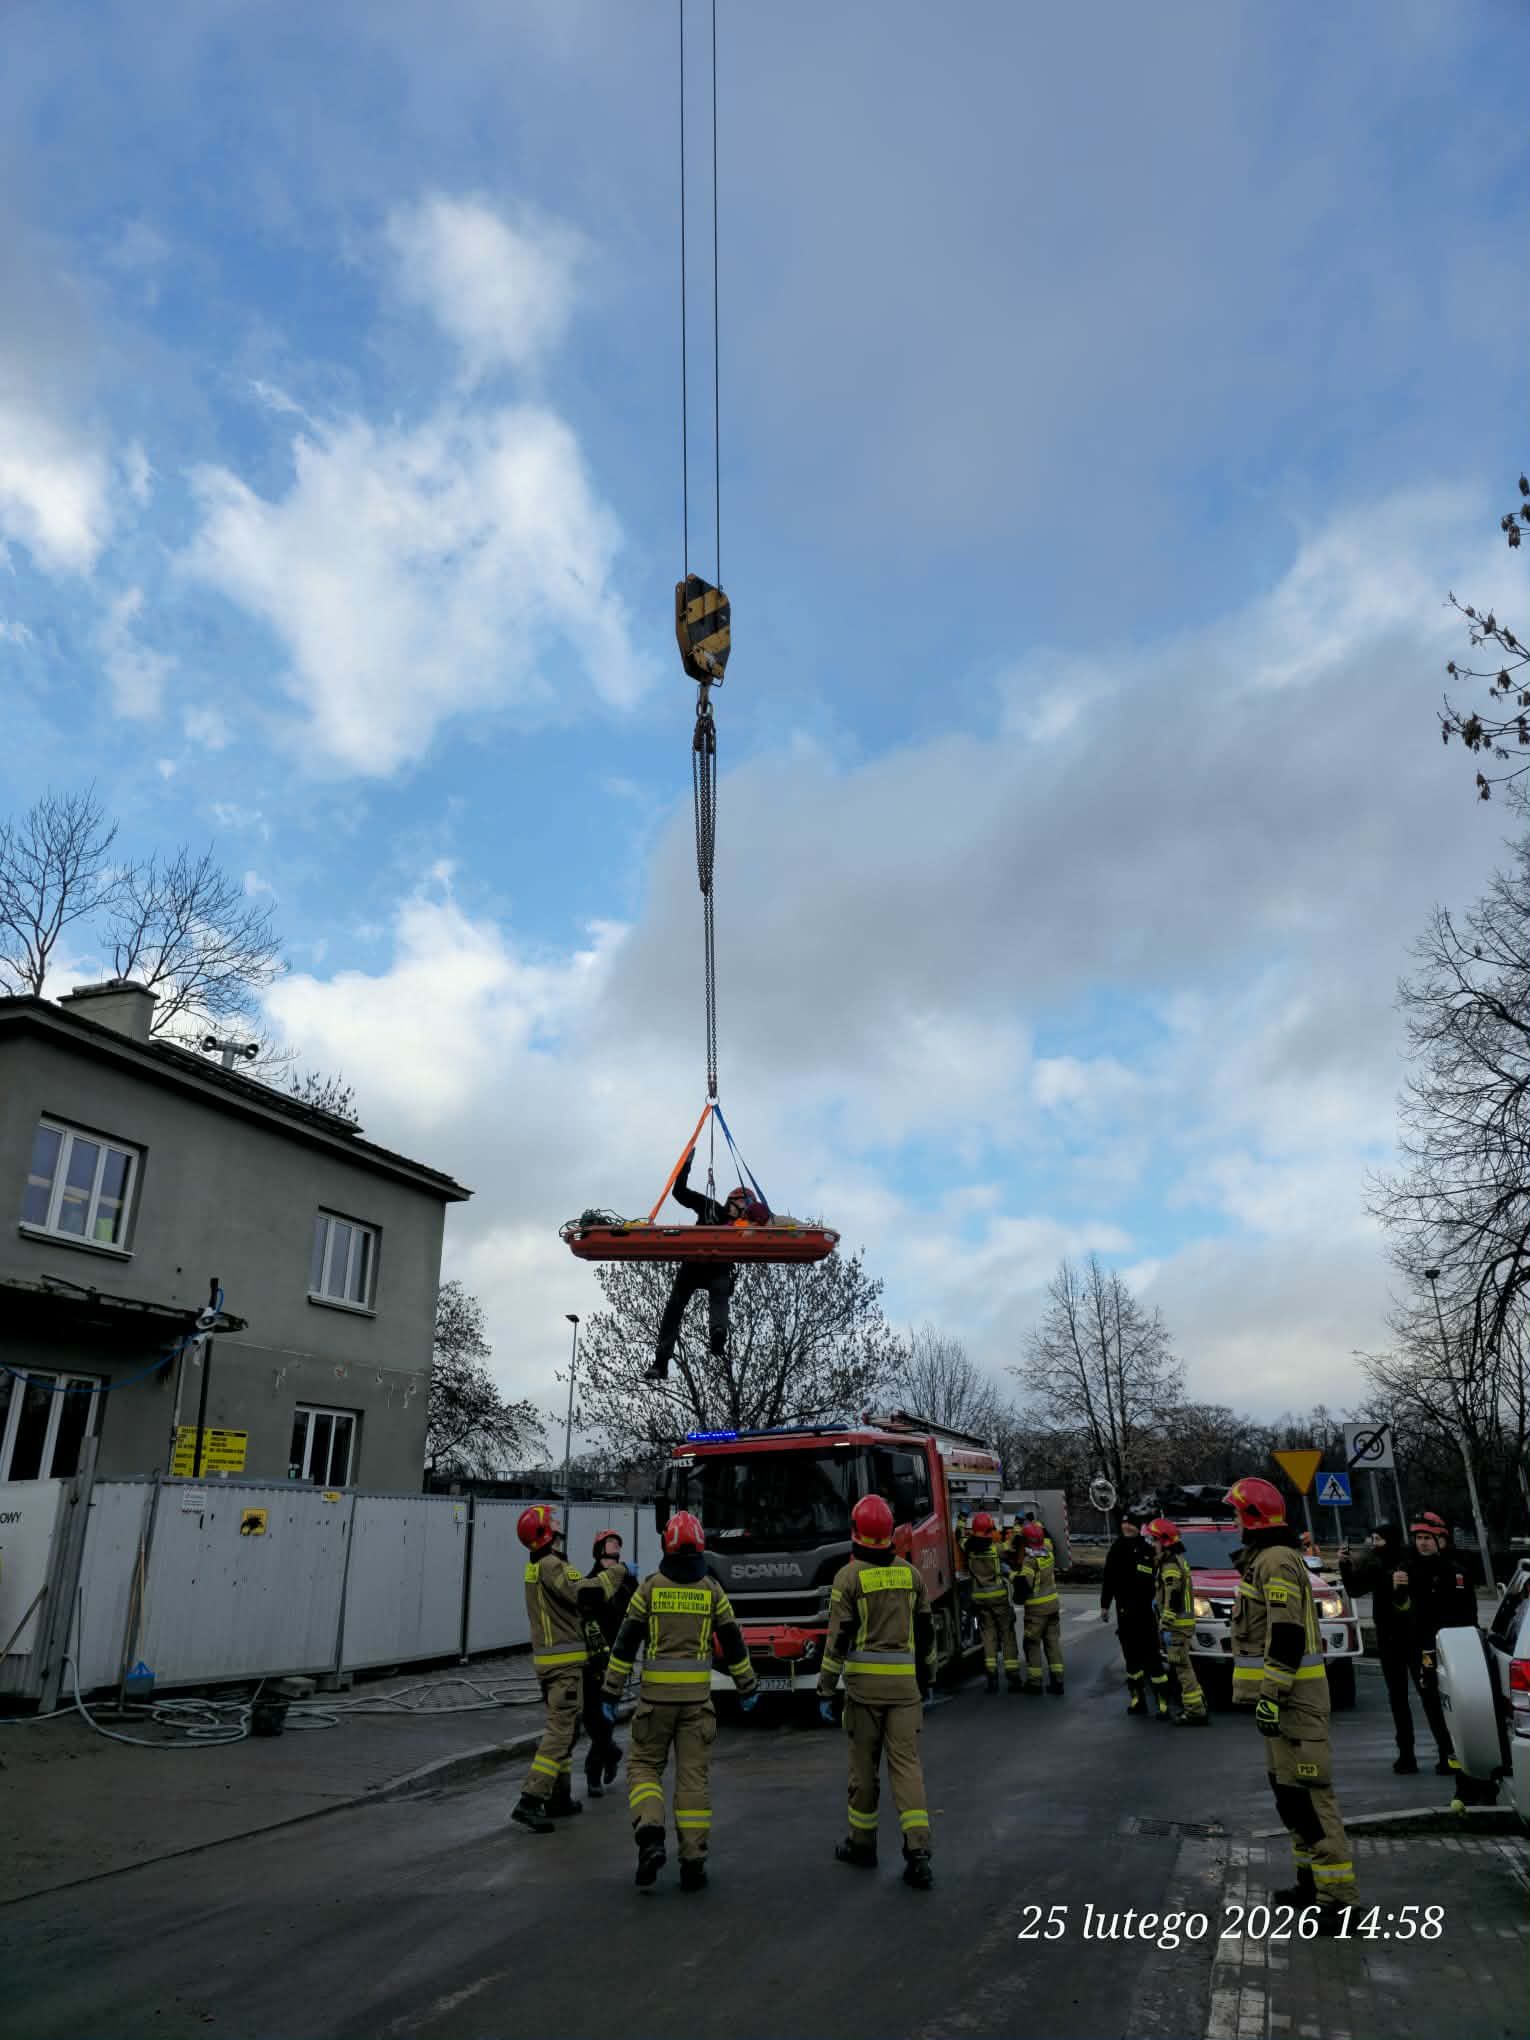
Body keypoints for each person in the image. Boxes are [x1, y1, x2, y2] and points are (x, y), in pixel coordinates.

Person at [599, 1509, 758, 1890]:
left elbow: (625, 1643)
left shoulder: (650, 1588)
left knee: (643, 1768)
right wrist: (747, 1686)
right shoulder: (711, 1590)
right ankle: (693, 1862)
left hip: (654, 1703)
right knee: (692, 1780)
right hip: (697, 1705)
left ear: (666, 1546)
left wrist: (610, 1691)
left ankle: (651, 1834)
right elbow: (733, 1642)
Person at [1226, 1476, 1356, 1929]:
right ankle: (1310, 1884)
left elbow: (1286, 1634)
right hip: (1284, 1702)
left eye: (1237, 1513)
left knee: (1312, 1800)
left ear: (1252, 1516)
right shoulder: (1265, 1559)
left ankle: (1339, 1902)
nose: (1233, 1521)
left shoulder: (1276, 1561)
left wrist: (1271, 1694)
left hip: (1294, 1700)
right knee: (1290, 1798)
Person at [817, 1492, 938, 1890]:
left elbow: (838, 1640)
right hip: (905, 1691)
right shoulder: (911, 1576)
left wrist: (825, 1688)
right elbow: (926, 1634)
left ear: (856, 1532)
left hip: (863, 1694)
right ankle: (918, 1852)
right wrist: (928, 1678)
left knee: (864, 1772)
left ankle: (862, 1844)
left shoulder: (848, 1578)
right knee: (907, 1769)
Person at [512, 1505, 628, 1834]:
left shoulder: (536, 1565)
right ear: (546, 1534)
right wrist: (617, 1573)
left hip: (550, 1663)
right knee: (560, 1732)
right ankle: (530, 1800)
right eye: (553, 1524)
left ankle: (559, 1797)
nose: (559, 1528)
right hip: (563, 1666)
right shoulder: (552, 1565)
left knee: (566, 1729)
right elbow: (585, 1593)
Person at [644, 1146, 767, 1383]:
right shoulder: (711, 1207)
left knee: (720, 1291)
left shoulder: (745, 1228)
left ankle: (718, 1336)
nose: (746, 1212)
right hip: (694, 1264)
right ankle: (660, 1362)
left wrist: (761, 1216)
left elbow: (771, 1225)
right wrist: (686, 1165)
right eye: (745, 1205)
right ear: (734, 1202)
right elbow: (680, 1192)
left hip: (718, 1267)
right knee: (673, 1309)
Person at [1338, 1523, 1421, 1772]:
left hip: (1415, 1636)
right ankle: (1406, 1754)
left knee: (1428, 1696)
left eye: (1379, 1539)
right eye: (1372, 1539)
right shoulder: (1374, 1564)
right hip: (1388, 1637)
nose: (1374, 1544)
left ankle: (1447, 1751)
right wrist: (1345, 1565)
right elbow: (1355, 1588)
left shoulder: (1410, 1562)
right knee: (1397, 1697)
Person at [1401, 1510, 1477, 1782]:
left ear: (1440, 1540)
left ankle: (1458, 1755)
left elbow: (1467, 1613)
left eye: (1427, 1538)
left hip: (1452, 1648)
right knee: (1431, 1703)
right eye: (1418, 1538)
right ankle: (1446, 1753)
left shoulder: (1455, 1571)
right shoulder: (1408, 1570)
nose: (1422, 1543)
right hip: (1421, 1648)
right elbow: (1402, 1609)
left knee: (1453, 1705)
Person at [581, 1528, 638, 1798]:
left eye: (617, 1543)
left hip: (618, 1660)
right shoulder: (590, 1582)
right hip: (593, 1661)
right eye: (610, 1543)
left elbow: (639, 1615)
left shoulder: (629, 1583)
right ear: (599, 1551)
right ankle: (612, 1752)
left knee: (605, 1719)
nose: (615, 1547)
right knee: (591, 1718)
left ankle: (593, 1773)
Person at [1100, 1511, 1170, 1717]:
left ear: (1138, 1527)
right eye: (1124, 1524)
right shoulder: (1116, 1548)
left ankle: (1162, 1702)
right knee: (1131, 1659)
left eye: (1130, 1524)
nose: (1126, 1527)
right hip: (1125, 1612)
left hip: (1146, 1613)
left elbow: (1157, 1580)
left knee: (1152, 1658)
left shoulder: (1147, 1549)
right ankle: (1137, 1699)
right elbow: (1108, 1578)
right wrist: (1104, 1605)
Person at [1146, 1517, 1207, 1725]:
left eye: (1155, 1540)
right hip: (1182, 1625)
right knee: (1185, 1666)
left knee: (1182, 1669)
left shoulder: (1170, 1563)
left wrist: (1166, 1621)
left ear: (1164, 1542)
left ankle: (1194, 1711)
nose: (1152, 1544)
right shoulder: (1176, 1559)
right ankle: (1198, 1704)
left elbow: (1173, 1592)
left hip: (1177, 1626)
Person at [961, 1510, 1021, 1692]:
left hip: (980, 1600)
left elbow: (959, 1536)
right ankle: (1013, 1676)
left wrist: (961, 1520)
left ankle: (992, 1677)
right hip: (999, 1599)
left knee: (988, 1637)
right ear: (989, 1530)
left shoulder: (968, 1549)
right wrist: (1018, 1525)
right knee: (1007, 1634)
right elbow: (1012, 1543)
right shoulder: (996, 1549)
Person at [1014, 1520, 1064, 1695]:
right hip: (1053, 1607)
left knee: (1032, 1644)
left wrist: (1012, 1575)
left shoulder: (1029, 1562)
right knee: (1052, 1644)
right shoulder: (1048, 1552)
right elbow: (1047, 1538)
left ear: (1027, 1542)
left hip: (1036, 1611)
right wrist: (1036, 1524)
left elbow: (1024, 1586)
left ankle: (1035, 1682)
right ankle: (1058, 1681)